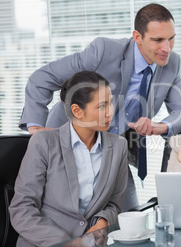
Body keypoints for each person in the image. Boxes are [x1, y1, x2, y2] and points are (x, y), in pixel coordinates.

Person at [18, 3, 181, 210]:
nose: (167, 48)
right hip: (70, 141)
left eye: (171, 38)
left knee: (130, 217)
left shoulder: (171, 63)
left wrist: (161, 126)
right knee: (62, 213)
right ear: (137, 37)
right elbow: (43, 78)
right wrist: (36, 127)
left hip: (111, 148)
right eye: (158, 40)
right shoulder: (104, 51)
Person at [9, 71, 128, 247]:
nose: (110, 112)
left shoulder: (119, 146)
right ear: (77, 111)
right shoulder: (44, 142)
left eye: (111, 103)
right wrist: (69, 243)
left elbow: (114, 204)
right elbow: (22, 209)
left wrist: (103, 222)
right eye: (102, 106)